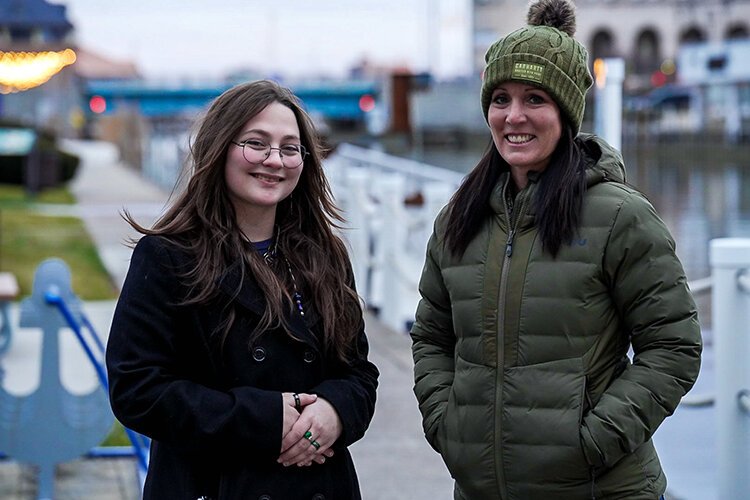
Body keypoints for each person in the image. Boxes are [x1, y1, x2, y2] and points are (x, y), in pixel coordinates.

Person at [410, 1, 702, 498]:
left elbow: (673, 346)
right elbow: (432, 335)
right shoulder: (460, 218)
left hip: (597, 487)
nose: (514, 116)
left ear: (565, 111)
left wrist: (592, 440)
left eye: (535, 99)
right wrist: (447, 423)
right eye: (500, 98)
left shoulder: (619, 217)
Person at [106, 80, 379, 499]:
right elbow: (137, 389)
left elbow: (358, 373)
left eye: (290, 148)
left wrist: (335, 412)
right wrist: (264, 419)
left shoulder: (326, 255)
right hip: (212, 485)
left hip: (318, 483)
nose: (275, 160)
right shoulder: (167, 257)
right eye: (256, 143)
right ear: (219, 149)